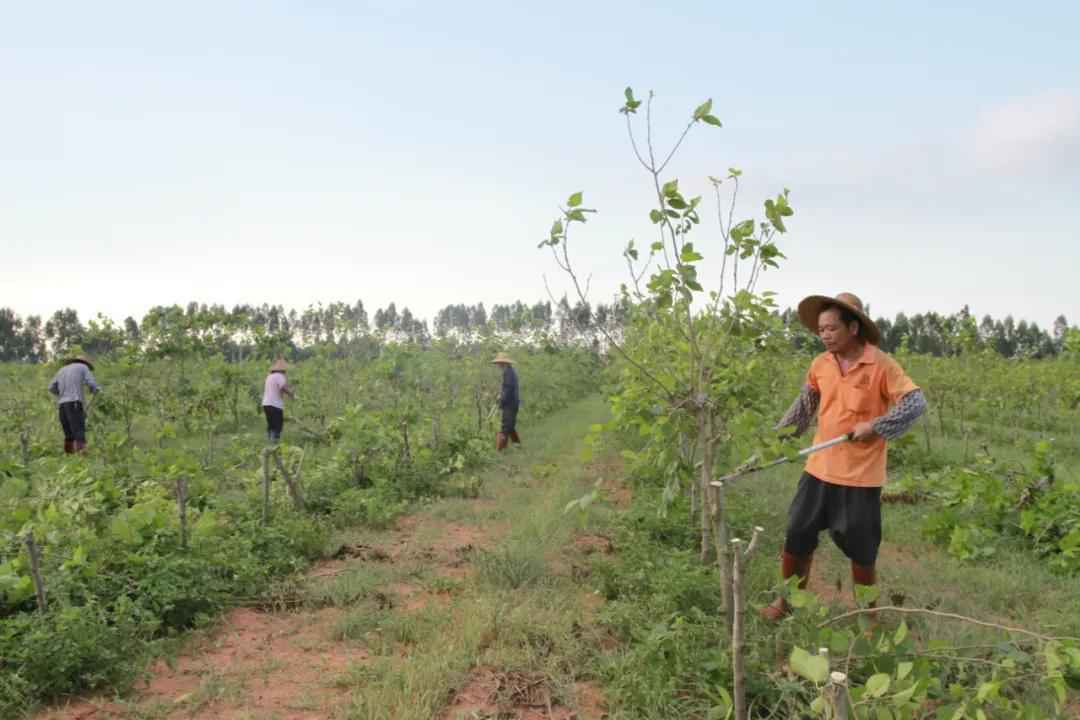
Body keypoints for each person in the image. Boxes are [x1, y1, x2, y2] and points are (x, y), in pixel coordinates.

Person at [761, 293, 927, 621]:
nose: (824, 335)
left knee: (862, 550)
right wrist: (775, 441)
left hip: (860, 476)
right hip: (819, 468)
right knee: (796, 534)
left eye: (831, 328)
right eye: (821, 330)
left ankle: (869, 620)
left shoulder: (880, 364)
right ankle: (787, 603)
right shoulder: (820, 365)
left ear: (853, 328)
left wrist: (877, 425)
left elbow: (915, 403)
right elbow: (804, 408)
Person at [48, 355, 100, 454]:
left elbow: (51, 387)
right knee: (79, 430)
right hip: (75, 402)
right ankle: (82, 457)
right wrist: (95, 389)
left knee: (68, 434)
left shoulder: (62, 370)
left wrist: (63, 394)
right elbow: (92, 383)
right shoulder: (83, 367)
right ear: (85, 363)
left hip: (62, 405)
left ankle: (69, 457)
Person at [492, 352, 520, 450]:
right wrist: (501, 395)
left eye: (500, 363)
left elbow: (508, 390)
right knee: (510, 425)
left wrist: (501, 401)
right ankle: (517, 445)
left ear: (504, 363)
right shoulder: (509, 372)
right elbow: (506, 389)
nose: (498, 365)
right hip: (512, 403)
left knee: (505, 427)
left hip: (510, 404)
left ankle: (500, 450)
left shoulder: (509, 373)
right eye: (498, 363)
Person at [262, 358, 293, 443]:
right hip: (275, 404)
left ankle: (269, 440)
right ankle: (274, 442)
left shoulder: (269, 376)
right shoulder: (280, 376)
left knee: (271, 424)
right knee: (278, 425)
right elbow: (283, 387)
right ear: (282, 369)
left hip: (266, 403)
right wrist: (291, 394)